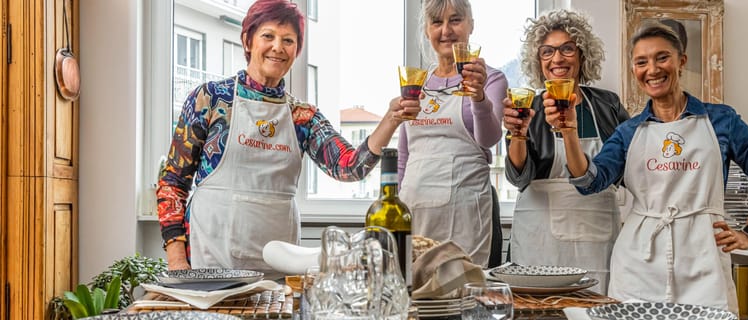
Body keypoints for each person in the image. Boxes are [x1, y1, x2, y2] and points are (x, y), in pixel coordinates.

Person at [156, 0, 418, 275]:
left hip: (279, 263)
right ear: (247, 40)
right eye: (268, 36)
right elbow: (172, 182)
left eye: (288, 40)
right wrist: (177, 261)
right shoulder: (209, 100)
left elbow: (351, 166)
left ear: (297, 51)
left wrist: (392, 117)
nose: (278, 47)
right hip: (211, 256)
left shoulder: (302, 116)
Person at [571, 21, 748, 312]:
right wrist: (568, 132)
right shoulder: (628, 132)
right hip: (638, 260)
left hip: (704, 257)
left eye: (662, 57)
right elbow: (589, 182)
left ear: (681, 61)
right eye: (641, 62)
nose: (653, 69)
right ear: (634, 70)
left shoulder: (723, 121)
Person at [503, 9, 630, 295]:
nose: (557, 59)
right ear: (538, 61)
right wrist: (518, 134)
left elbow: (624, 170)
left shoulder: (608, 105)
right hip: (538, 235)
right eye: (547, 51)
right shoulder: (526, 107)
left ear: (583, 55)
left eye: (567, 49)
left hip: (597, 234)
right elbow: (519, 178)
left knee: (596, 305)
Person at [395, 0, 508, 267]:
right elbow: (404, 154)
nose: (446, 30)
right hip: (415, 211)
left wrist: (478, 96)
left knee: (463, 291)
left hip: (465, 213)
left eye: (455, 20)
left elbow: (489, 139)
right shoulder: (416, 82)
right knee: (413, 293)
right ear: (427, 30)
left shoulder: (490, 79)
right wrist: (398, 204)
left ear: (471, 25)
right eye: (437, 22)